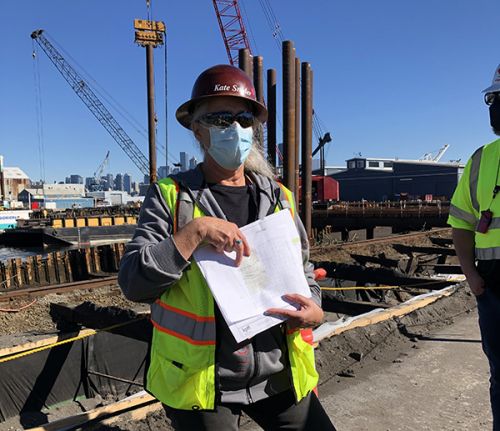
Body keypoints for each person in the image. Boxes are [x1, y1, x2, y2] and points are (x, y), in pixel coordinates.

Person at [118, 64, 336, 431]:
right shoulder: (171, 197)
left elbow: (302, 271)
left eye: (243, 118)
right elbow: (132, 283)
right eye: (220, 119)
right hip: (203, 385)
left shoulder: (278, 197)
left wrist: (315, 308)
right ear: (198, 130)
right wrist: (192, 234)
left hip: (278, 373)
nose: (235, 128)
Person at [448, 64, 500, 430]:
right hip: (494, 286)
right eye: (493, 100)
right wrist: (470, 274)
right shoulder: (482, 159)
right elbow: (461, 222)